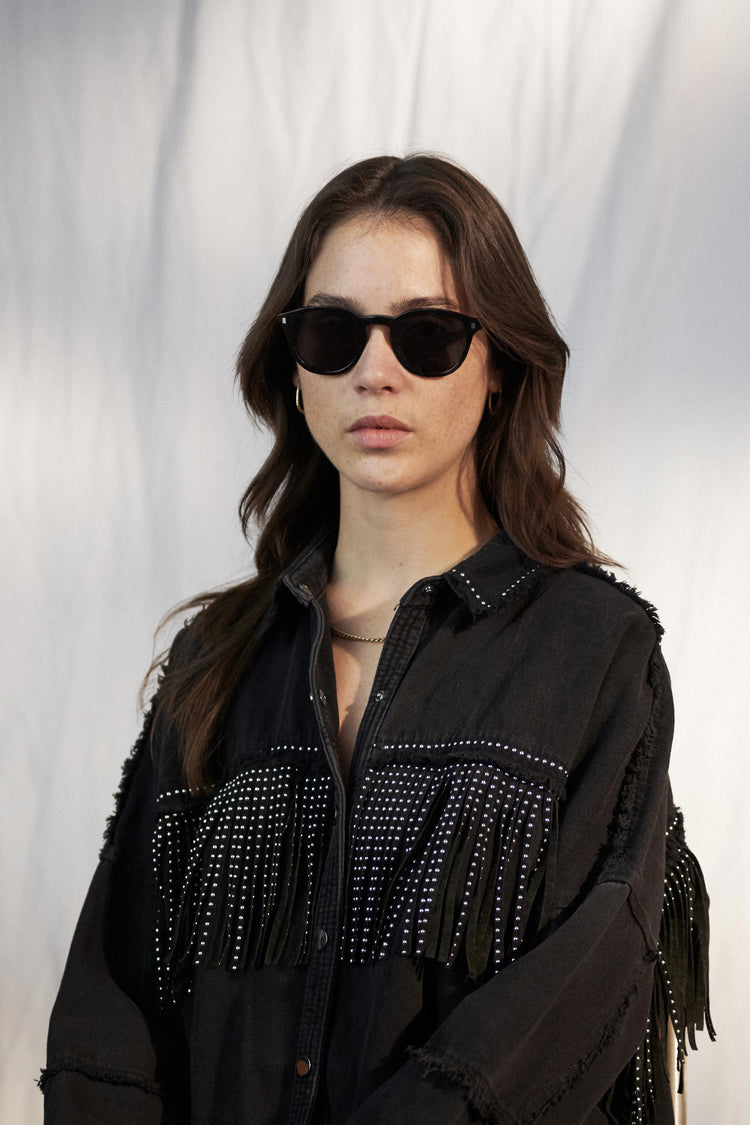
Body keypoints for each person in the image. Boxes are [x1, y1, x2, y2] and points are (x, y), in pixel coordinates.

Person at [41, 154, 714, 1124]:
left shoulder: (596, 652)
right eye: (333, 333)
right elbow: (114, 1006)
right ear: (294, 368)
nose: (374, 370)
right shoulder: (218, 660)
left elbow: (581, 986)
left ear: (498, 366)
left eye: (428, 334)